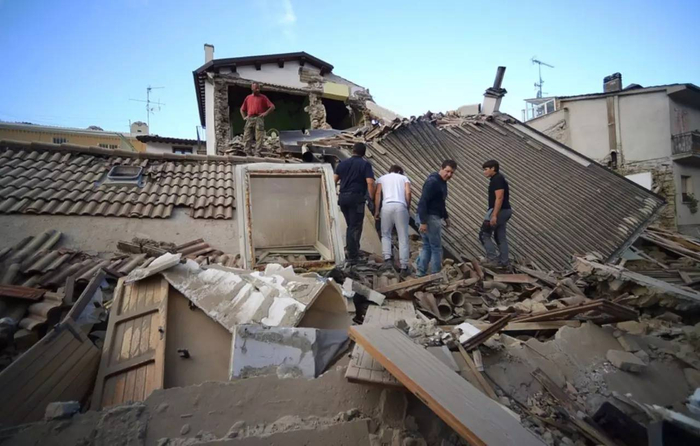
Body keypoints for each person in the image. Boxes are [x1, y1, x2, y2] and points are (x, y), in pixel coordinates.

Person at [334, 143, 375, 266]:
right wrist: (371, 197)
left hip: (343, 198)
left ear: (353, 151)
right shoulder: (365, 164)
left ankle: (352, 250)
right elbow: (370, 182)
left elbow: (334, 180)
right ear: (363, 153)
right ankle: (353, 257)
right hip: (356, 198)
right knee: (355, 226)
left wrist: (334, 194)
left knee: (350, 226)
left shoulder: (342, 164)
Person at [415, 160, 457, 276]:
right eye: (447, 171)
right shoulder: (433, 182)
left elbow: (441, 202)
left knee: (427, 246)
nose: (449, 174)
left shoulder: (442, 182)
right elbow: (423, 201)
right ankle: (436, 275)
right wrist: (423, 222)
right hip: (429, 217)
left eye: (452, 173)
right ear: (441, 168)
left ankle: (420, 272)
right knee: (436, 247)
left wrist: (446, 217)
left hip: (429, 217)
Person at [374, 165, 412, 276]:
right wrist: (407, 207)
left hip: (386, 207)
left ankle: (387, 260)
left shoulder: (382, 178)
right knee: (403, 237)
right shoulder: (404, 178)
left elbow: (378, 194)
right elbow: (408, 193)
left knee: (386, 234)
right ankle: (404, 266)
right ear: (400, 172)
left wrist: (377, 210)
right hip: (400, 207)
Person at [479, 160, 513, 267]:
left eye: (486, 169)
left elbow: (499, 197)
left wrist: (494, 215)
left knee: (484, 234)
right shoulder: (498, 178)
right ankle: (504, 261)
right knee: (499, 236)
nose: (484, 172)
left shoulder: (497, 179)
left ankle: (492, 259)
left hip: (499, 211)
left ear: (493, 168)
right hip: (505, 210)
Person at [240, 83, 275, 156]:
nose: (258, 89)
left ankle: (257, 152)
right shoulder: (248, 98)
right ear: (252, 88)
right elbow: (242, 109)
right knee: (247, 135)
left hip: (259, 118)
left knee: (259, 137)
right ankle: (247, 152)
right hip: (250, 118)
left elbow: (272, 107)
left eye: (258, 88)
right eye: (256, 88)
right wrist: (244, 117)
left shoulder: (263, 97)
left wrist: (265, 113)